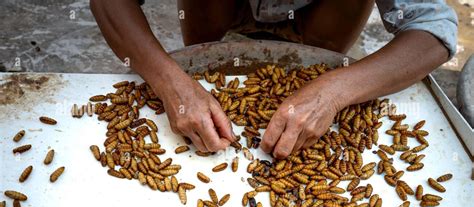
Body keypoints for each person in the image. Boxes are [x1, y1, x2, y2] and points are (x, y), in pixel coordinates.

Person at [90, 0, 457, 159]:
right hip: (217, 18)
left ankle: (319, 62)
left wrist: (332, 92)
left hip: (322, 27)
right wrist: (171, 82)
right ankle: (206, 54)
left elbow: (435, 31)